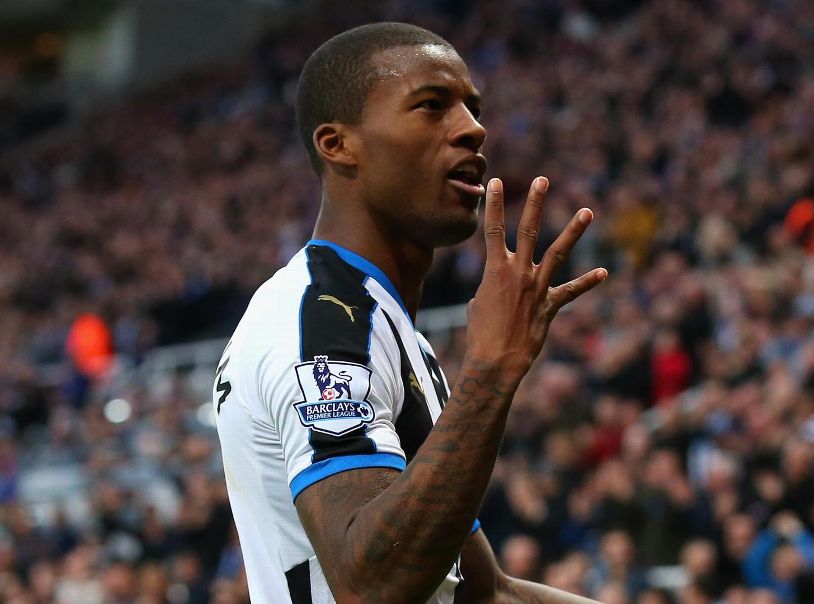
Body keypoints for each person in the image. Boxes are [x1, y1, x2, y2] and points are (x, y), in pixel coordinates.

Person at [212, 22, 607, 603]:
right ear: (338, 145)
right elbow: (372, 585)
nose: (473, 129)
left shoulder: (389, 331)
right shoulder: (319, 323)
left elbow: (485, 594)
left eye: (472, 109)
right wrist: (491, 369)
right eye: (431, 106)